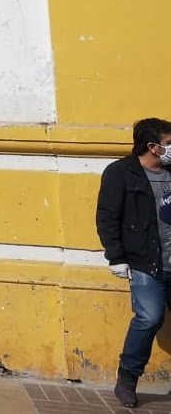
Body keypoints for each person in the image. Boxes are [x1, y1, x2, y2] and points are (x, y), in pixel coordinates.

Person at [96, 117, 171, 408]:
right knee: (150, 317)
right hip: (145, 262)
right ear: (152, 147)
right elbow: (107, 217)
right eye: (167, 143)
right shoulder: (121, 173)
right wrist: (115, 256)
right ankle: (127, 378)